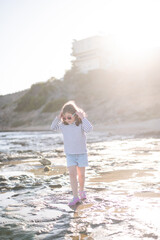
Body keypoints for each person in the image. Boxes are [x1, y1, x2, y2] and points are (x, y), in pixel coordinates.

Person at [51, 101, 93, 206]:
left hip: (82, 153)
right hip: (70, 154)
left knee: (81, 175)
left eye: (69, 117)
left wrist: (83, 118)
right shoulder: (63, 126)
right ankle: (75, 197)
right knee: (72, 174)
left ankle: (82, 191)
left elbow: (89, 129)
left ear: (75, 115)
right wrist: (57, 118)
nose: (67, 120)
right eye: (64, 118)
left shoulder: (81, 124)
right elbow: (52, 127)